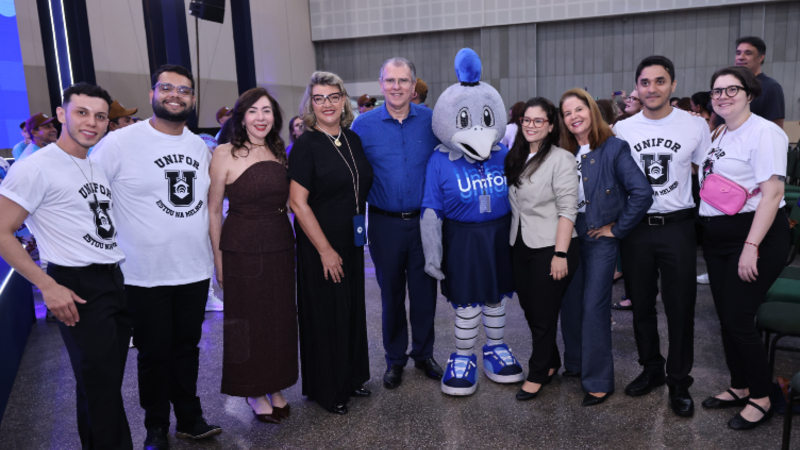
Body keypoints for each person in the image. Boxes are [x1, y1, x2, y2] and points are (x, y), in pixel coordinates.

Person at [91, 64, 222, 449]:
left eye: (184, 90)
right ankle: (155, 425)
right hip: (142, 273)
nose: (175, 95)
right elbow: (92, 195)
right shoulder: (120, 142)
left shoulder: (199, 146)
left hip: (193, 269)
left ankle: (189, 417)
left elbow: (207, 207)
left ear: (193, 100)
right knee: (153, 352)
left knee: (187, 349)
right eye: (167, 88)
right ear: (153, 94)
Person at [0, 82, 132, 449]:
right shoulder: (36, 167)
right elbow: (1, 232)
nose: (92, 122)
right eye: (82, 112)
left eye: (100, 116)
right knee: (102, 388)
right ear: (61, 115)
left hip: (112, 281)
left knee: (98, 385)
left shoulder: (93, 164)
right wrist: (48, 285)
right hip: (76, 284)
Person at [613, 56, 711, 418]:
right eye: (644, 82)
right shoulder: (623, 129)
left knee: (681, 306)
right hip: (636, 228)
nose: (651, 89)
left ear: (672, 84)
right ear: (636, 87)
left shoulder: (694, 126)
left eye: (659, 81)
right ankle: (651, 367)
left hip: (679, 227)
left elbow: (708, 172)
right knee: (640, 303)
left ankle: (679, 378)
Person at [698, 66, 789, 430]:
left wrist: (751, 246)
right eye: (716, 91)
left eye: (731, 89)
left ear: (749, 93)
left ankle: (762, 396)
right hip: (718, 234)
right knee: (725, 317)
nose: (722, 96)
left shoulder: (765, 132)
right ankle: (740, 385)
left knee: (738, 318)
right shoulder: (720, 131)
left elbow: (773, 194)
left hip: (754, 234)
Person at [351, 57, 443, 389]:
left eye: (404, 81)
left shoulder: (433, 122)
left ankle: (423, 354)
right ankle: (395, 359)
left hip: (424, 224)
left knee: (424, 293)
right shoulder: (363, 126)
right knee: (390, 296)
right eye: (390, 81)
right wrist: (356, 228)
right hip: (384, 224)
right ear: (380, 85)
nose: (397, 87)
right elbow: (354, 179)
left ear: (414, 85)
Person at [208, 87, 297, 423]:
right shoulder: (224, 153)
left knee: (278, 319)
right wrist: (218, 262)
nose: (261, 118)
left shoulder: (279, 151)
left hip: (279, 243)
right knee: (248, 321)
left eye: (267, 111)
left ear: (275, 118)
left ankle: (275, 384)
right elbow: (214, 210)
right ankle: (252, 389)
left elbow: (289, 204)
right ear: (241, 117)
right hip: (240, 247)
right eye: (253, 111)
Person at [559, 88, 652, 407]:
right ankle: (575, 362)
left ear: (591, 111)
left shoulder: (613, 147)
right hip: (569, 235)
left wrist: (618, 229)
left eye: (578, 109)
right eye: (567, 112)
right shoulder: (562, 151)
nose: (574, 117)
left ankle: (599, 380)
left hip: (600, 236)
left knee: (594, 306)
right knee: (570, 302)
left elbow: (642, 193)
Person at [289, 71, 373, 414]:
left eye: (333, 97)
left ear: (344, 101)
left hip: (351, 240)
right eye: (319, 98)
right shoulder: (306, 145)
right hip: (320, 245)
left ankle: (351, 378)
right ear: (310, 104)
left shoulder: (351, 139)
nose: (327, 104)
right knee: (328, 316)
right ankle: (329, 389)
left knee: (351, 311)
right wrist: (325, 250)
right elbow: (297, 202)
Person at [506, 97, 579, 400]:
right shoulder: (516, 155)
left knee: (544, 313)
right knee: (530, 309)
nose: (531, 126)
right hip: (520, 243)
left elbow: (567, 209)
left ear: (550, 126)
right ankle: (551, 360)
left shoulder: (561, 159)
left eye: (539, 121)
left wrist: (560, 254)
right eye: (526, 120)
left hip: (552, 245)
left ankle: (537, 372)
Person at [734, 36, 784, 129]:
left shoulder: (771, 87)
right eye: (738, 53)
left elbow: (777, 128)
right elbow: (713, 123)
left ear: (760, 57)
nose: (741, 57)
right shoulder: (726, 85)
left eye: (748, 53)